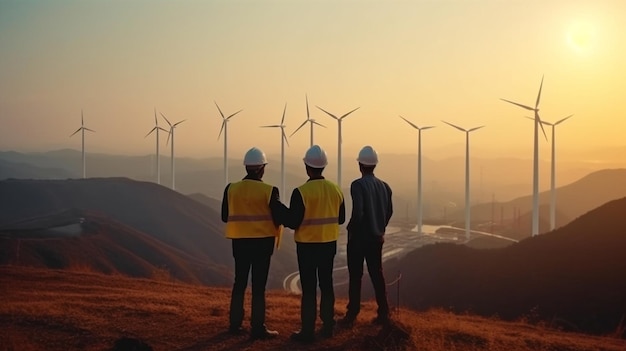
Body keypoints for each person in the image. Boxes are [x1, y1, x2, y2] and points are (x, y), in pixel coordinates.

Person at [221, 147, 288, 340]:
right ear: (261, 169)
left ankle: (234, 324)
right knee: (259, 286)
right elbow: (281, 215)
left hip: (239, 243)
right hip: (262, 245)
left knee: (239, 282)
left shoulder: (231, 188)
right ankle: (257, 328)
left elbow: (225, 216)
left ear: (247, 167)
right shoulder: (269, 191)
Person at [286, 145, 345, 343]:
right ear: (324, 166)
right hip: (329, 244)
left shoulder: (301, 192)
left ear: (306, 166)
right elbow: (342, 218)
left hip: (307, 246)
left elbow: (293, 221)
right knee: (327, 285)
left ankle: (307, 330)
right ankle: (328, 326)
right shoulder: (336, 189)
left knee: (309, 288)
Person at [340, 145, 393, 327]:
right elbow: (389, 212)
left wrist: (351, 228)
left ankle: (352, 313)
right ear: (375, 165)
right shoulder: (385, 187)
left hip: (359, 239)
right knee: (377, 275)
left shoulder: (357, 185)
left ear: (360, 165)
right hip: (377, 238)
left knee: (355, 276)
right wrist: (379, 226)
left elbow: (358, 212)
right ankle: (384, 312)